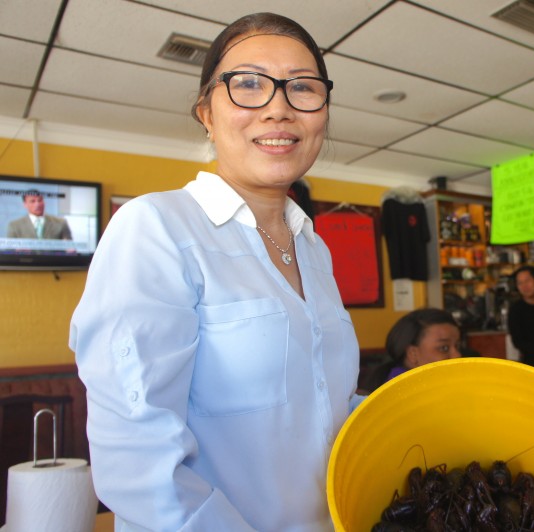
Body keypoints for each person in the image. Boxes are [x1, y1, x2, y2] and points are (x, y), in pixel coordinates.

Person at [70, 13, 359, 531]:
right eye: (248, 84)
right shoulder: (155, 227)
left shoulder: (314, 248)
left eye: (303, 87)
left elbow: (318, 399)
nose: (278, 107)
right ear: (206, 111)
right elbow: (139, 463)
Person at [384, 307, 462, 382]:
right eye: (444, 348)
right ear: (413, 354)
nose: (457, 355)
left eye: (457, 346)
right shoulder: (402, 391)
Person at [6, 189, 72, 239]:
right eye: (32, 201)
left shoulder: (61, 223)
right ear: (25, 205)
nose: (37, 204)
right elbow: (9, 251)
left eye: (40, 200)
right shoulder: (14, 226)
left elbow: (70, 249)